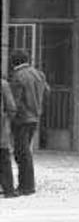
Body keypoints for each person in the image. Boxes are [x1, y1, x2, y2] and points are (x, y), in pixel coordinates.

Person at [8, 49, 50, 197]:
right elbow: (47, 91)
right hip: (34, 117)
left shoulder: (18, 76)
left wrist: (10, 118)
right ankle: (27, 185)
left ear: (14, 61)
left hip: (22, 119)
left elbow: (14, 101)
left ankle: (25, 186)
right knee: (26, 152)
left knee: (21, 153)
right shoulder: (39, 74)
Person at [1, 76, 17, 197]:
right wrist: (7, 121)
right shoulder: (3, 84)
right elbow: (11, 107)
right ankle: (8, 189)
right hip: (1, 129)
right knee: (4, 159)